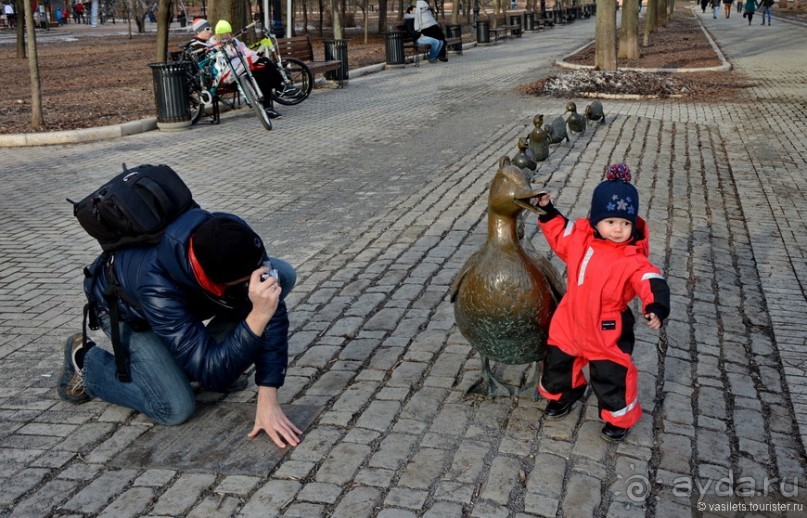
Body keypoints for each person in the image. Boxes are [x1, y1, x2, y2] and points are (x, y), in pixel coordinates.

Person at [57, 209, 303, 448]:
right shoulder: (157, 288)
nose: (256, 278)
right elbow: (212, 373)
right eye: (246, 279)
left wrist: (268, 397)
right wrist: (258, 315)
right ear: (215, 281)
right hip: (127, 312)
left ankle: (203, 359)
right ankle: (86, 361)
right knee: (175, 407)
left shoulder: (231, 232)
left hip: (180, 298)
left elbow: (273, 310)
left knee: (281, 277)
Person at [533, 164, 670, 443]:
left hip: (606, 326)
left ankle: (619, 416)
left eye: (625, 223)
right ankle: (564, 394)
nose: (618, 229)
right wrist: (547, 210)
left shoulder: (632, 258)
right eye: (610, 222)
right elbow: (560, 232)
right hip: (570, 319)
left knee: (611, 374)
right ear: (596, 220)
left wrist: (655, 305)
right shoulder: (581, 239)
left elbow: (649, 279)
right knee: (558, 362)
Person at [209, 19, 298, 119]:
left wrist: (254, 55)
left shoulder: (233, 40)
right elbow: (229, 57)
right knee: (263, 67)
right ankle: (280, 89)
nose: (227, 35)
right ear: (219, 34)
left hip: (244, 68)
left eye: (228, 33)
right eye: (225, 34)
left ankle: (270, 104)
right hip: (232, 75)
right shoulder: (215, 46)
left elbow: (244, 50)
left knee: (264, 71)